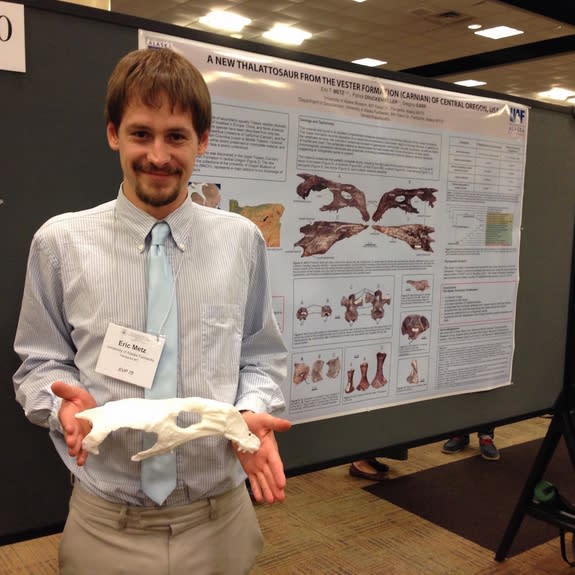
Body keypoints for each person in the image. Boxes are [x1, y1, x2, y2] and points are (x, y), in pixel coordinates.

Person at [13, 48, 291, 575]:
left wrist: (249, 414)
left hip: (219, 520)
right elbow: (39, 363)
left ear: (202, 141)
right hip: (106, 524)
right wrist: (62, 409)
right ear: (114, 133)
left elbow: (259, 355)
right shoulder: (60, 243)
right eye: (142, 134)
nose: (159, 156)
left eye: (177, 136)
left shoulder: (242, 242)